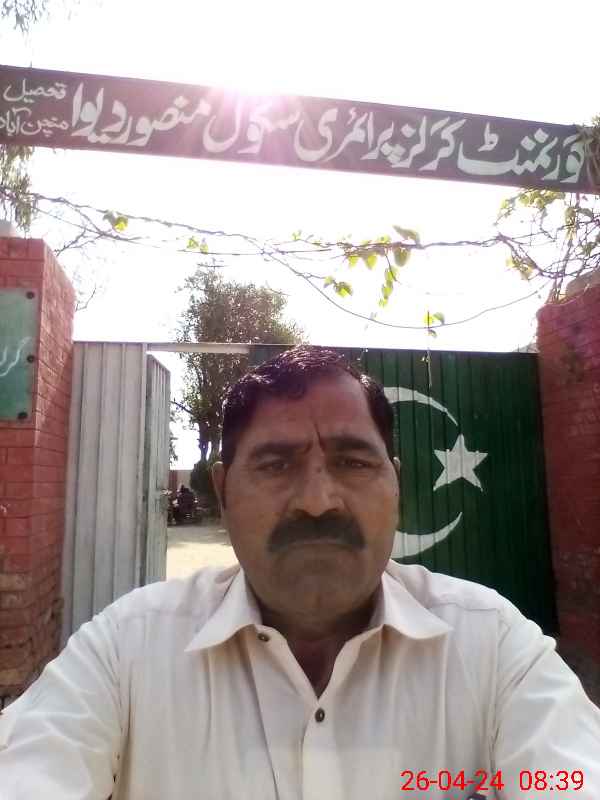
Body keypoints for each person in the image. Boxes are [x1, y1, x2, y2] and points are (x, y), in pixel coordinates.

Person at [1, 345, 599, 800]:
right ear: (223, 492)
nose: (318, 502)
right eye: (276, 464)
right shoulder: (126, 650)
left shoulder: (493, 647)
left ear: (396, 483)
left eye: (353, 462)